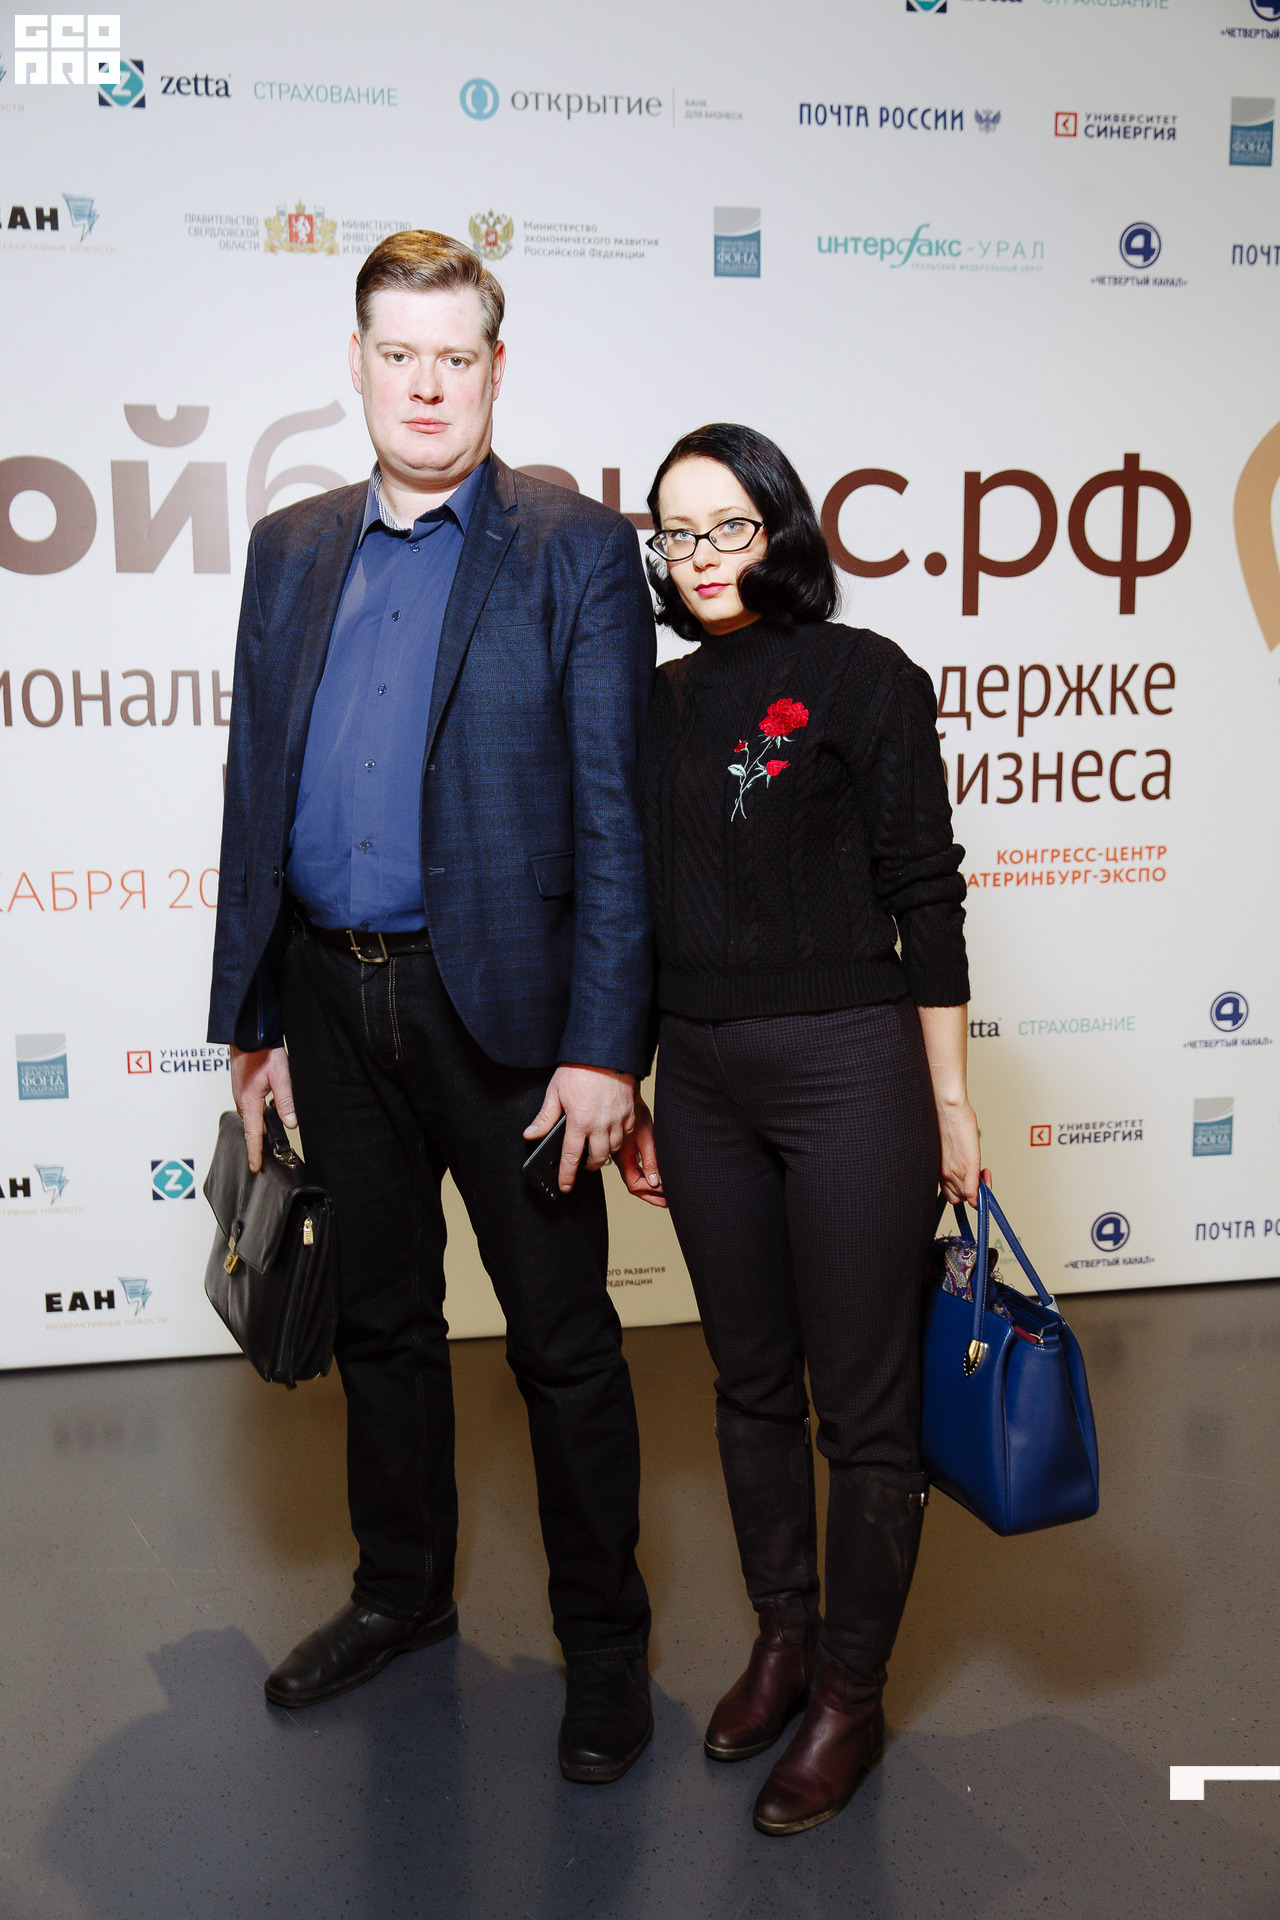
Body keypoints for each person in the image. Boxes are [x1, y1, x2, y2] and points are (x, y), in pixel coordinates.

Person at [207, 230, 662, 1785]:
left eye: (453, 357)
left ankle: (607, 1648)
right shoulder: (290, 546)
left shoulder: (573, 547)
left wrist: (605, 1047)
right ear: (355, 362)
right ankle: (400, 1595)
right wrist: (255, 1018)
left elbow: (615, 813)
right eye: (396, 353)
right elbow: (255, 787)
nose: (423, 384)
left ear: (494, 369)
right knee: (383, 1326)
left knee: (561, 1343)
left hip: (514, 1023)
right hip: (330, 1000)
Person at [635, 423, 981, 1835]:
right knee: (747, 1383)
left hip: (850, 1071)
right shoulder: (651, 701)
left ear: (779, 529)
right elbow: (635, 909)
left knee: (868, 1406)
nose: (702, 557)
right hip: (701, 1080)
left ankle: (849, 1691)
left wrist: (949, 1104)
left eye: (729, 526)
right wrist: (635, 1077)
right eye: (677, 534)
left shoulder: (863, 675)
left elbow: (928, 895)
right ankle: (782, 1641)